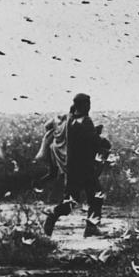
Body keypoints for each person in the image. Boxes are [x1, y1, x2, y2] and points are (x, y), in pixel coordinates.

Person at [42, 93, 109, 237]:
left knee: (70, 202)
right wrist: (103, 142)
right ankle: (91, 227)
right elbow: (93, 142)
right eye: (88, 103)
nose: (89, 106)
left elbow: (80, 140)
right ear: (84, 105)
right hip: (85, 168)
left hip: (73, 169)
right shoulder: (85, 121)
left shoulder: (69, 120)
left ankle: (52, 217)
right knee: (96, 197)